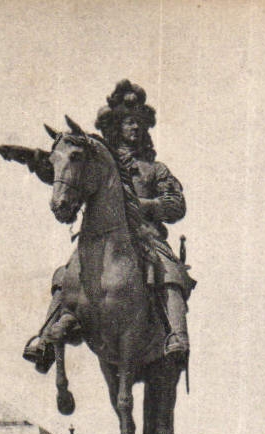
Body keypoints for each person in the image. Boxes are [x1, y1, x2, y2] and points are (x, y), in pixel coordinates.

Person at [21, 80, 195, 371]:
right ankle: (45, 340)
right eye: (128, 123)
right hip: (99, 235)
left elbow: (177, 205)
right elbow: (72, 177)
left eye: (139, 123)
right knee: (65, 275)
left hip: (146, 236)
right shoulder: (99, 161)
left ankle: (176, 336)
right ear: (116, 126)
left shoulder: (155, 169)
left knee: (170, 271)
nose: (135, 128)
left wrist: (146, 206)